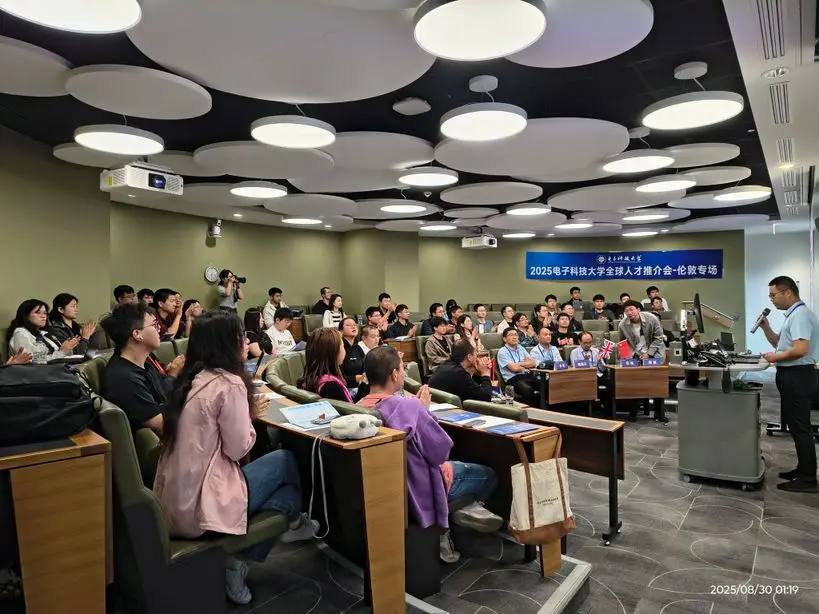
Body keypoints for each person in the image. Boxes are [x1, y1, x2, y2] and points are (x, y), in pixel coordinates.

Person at [153, 310, 317, 605]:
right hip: (200, 506)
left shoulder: (191, 379)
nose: (246, 341)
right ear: (227, 344)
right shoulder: (229, 384)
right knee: (285, 461)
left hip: (175, 502)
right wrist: (251, 417)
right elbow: (238, 449)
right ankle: (245, 556)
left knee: (288, 495)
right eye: (240, 336)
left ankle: (288, 527)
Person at [356, 345, 503, 563]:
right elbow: (440, 451)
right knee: (489, 474)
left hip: (388, 488)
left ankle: (457, 515)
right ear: (394, 374)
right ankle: (449, 526)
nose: (403, 373)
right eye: (402, 368)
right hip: (421, 484)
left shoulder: (358, 407)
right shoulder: (408, 406)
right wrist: (422, 410)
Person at [759, 275, 819, 493]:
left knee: (800, 427)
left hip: (798, 376)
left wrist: (774, 358)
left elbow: (800, 350)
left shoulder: (800, 315)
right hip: (793, 375)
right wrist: (766, 327)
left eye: (773, 295)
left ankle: (808, 479)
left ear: (788, 292)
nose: (771, 300)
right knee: (795, 425)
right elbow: (779, 343)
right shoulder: (793, 315)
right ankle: (803, 469)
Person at [101, 303, 185, 432]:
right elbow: (161, 424)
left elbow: (163, 394)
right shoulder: (125, 379)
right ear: (137, 334)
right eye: (154, 325)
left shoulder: (144, 364)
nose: (159, 329)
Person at [618, 300, 667, 423]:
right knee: (634, 382)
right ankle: (633, 413)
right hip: (635, 353)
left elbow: (659, 338)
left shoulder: (651, 318)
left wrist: (649, 353)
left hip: (654, 352)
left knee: (658, 383)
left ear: (638, 309)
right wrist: (626, 359)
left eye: (632, 309)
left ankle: (659, 413)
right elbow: (622, 343)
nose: (630, 313)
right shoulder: (622, 325)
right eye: (627, 311)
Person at [8, 299, 78, 363]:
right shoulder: (20, 333)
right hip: (38, 371)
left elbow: (57, 355)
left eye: (45, 313)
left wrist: (67, 348)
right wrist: (62, 352)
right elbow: (31, 359)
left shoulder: (43, 333)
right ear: (26, 316)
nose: (43, 316)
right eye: (38, 313)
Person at [298, 327, 353, 403]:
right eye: (343, 346)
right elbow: (348, 409)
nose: (345, 350)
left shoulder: (308, 378)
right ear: (333, 352)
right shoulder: (332, 387)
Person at [497, 328, 537, 406]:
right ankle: (529, 412)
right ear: (504, 339)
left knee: (545, 384)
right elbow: (514, 369)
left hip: (526, 375)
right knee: (528, 390)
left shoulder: (520, 348)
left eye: (516, 335)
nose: (514, 337)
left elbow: (533, 363)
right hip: (512, 380)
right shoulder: (502, 352)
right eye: (511, 335)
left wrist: (518, 364)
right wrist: (524, 364)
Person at [48, 293, 96, 357]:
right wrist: (85, 337)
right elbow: (77, 355)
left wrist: (89, 335)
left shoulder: (77, 327)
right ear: (61, 309)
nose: (76, 310)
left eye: (76, 306)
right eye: (73, 306)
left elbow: (91, 352)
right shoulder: (56, 329)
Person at [340, 317, 367, 392]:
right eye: (348, 325)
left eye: (355, 325)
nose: (353, 327)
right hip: (346, 388)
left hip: (360, 386)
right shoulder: (339, 349)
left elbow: (365, 368)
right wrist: (355, 379)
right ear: (341, 331)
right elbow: (337, 377)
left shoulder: (358, 348)